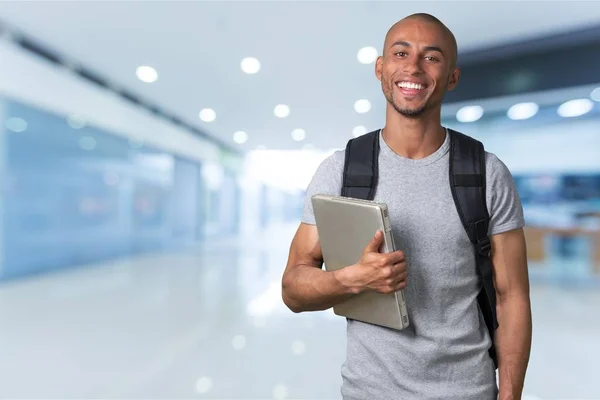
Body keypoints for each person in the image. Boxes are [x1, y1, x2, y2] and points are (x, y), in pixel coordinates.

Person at [281, 12, 532, 400]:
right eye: (400, 53)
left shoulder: (486, 172)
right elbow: (293, 288)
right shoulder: (341, 170)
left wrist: (510, 394)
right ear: (381, 68)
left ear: (452, 77)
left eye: (432, 57)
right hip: (369, 391)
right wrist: (352, 279)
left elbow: (511, 294)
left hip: (468, 390)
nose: (412, 66)